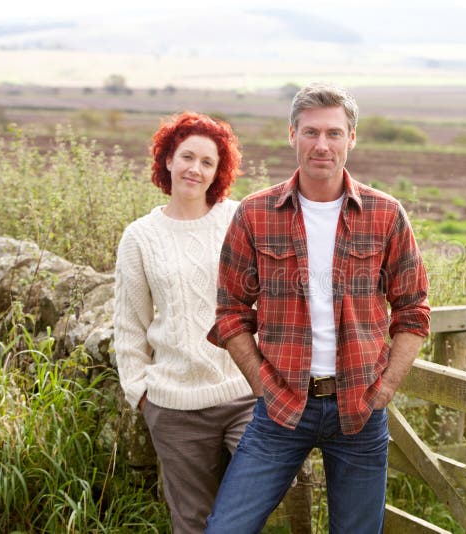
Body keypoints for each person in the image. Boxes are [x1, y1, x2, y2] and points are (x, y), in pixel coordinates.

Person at [205, 82, 430, 533]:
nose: (321, 145)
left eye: (333, 133)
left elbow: (413, 310)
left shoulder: (386, 215)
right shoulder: (255, 213)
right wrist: (262, 382)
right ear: (292, 135)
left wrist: (384, 389)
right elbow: (230, 310)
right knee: (225, 527)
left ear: (351, 138)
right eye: (310, 132)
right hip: (282, 406)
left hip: (361, 409)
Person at [113, 111, 255, 533]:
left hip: (245, 395)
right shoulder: (140, 236)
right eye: (187, 156)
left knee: (248, 511)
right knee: (192, 522)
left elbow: (271, 298)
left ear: (218, 172)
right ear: (168, 160)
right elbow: (129, 324)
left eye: (207, 162)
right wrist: (140, 392)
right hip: (175, 408)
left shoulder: (239, 219)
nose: (195, 168)